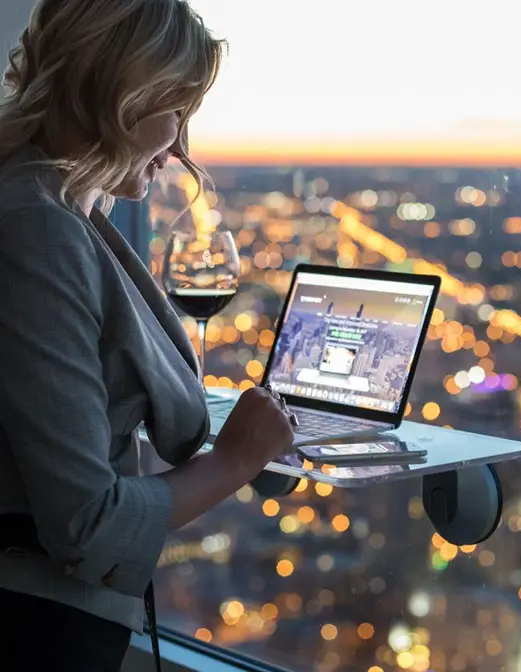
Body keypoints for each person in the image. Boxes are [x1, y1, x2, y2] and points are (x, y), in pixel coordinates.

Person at [0, 1, 294, 670]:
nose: (181, 149)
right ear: (121, 96)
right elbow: (88, 527)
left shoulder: (60, 209)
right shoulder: (37, 229)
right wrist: (235, 460)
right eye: (177, 113)